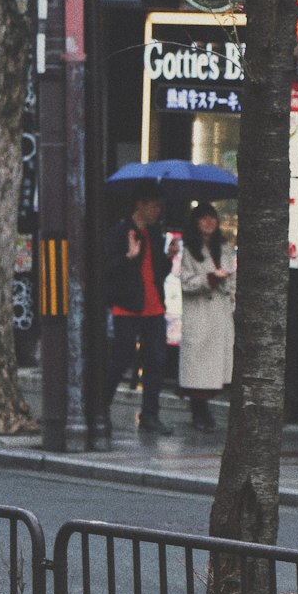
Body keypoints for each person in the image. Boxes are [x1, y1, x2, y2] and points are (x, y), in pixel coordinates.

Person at [105, 186, 173, 435]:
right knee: (121, 359)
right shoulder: (120, 232)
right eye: (153, 206)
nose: (157, 211)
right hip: (127, 307)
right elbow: (108, 269)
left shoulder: (154, 233)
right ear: (140, 205)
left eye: (159, 206)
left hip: (153, 306)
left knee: (156, 359)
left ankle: (150, 414)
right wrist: (128, 257)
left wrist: (168, 257)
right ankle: (103, 407)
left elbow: (158, 272)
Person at [178, 201, 235, 431]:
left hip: (221, 312)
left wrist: (232, 293)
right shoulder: (189, 250)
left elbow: (232, 278)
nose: (209, 222)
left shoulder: (225, 248)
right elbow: (185, 282)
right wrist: (210, 278)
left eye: (212, 217)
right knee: (199, 367)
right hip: (200, 313)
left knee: (216, 366)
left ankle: (203, 408)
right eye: (203, 218)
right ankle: (199, 410)